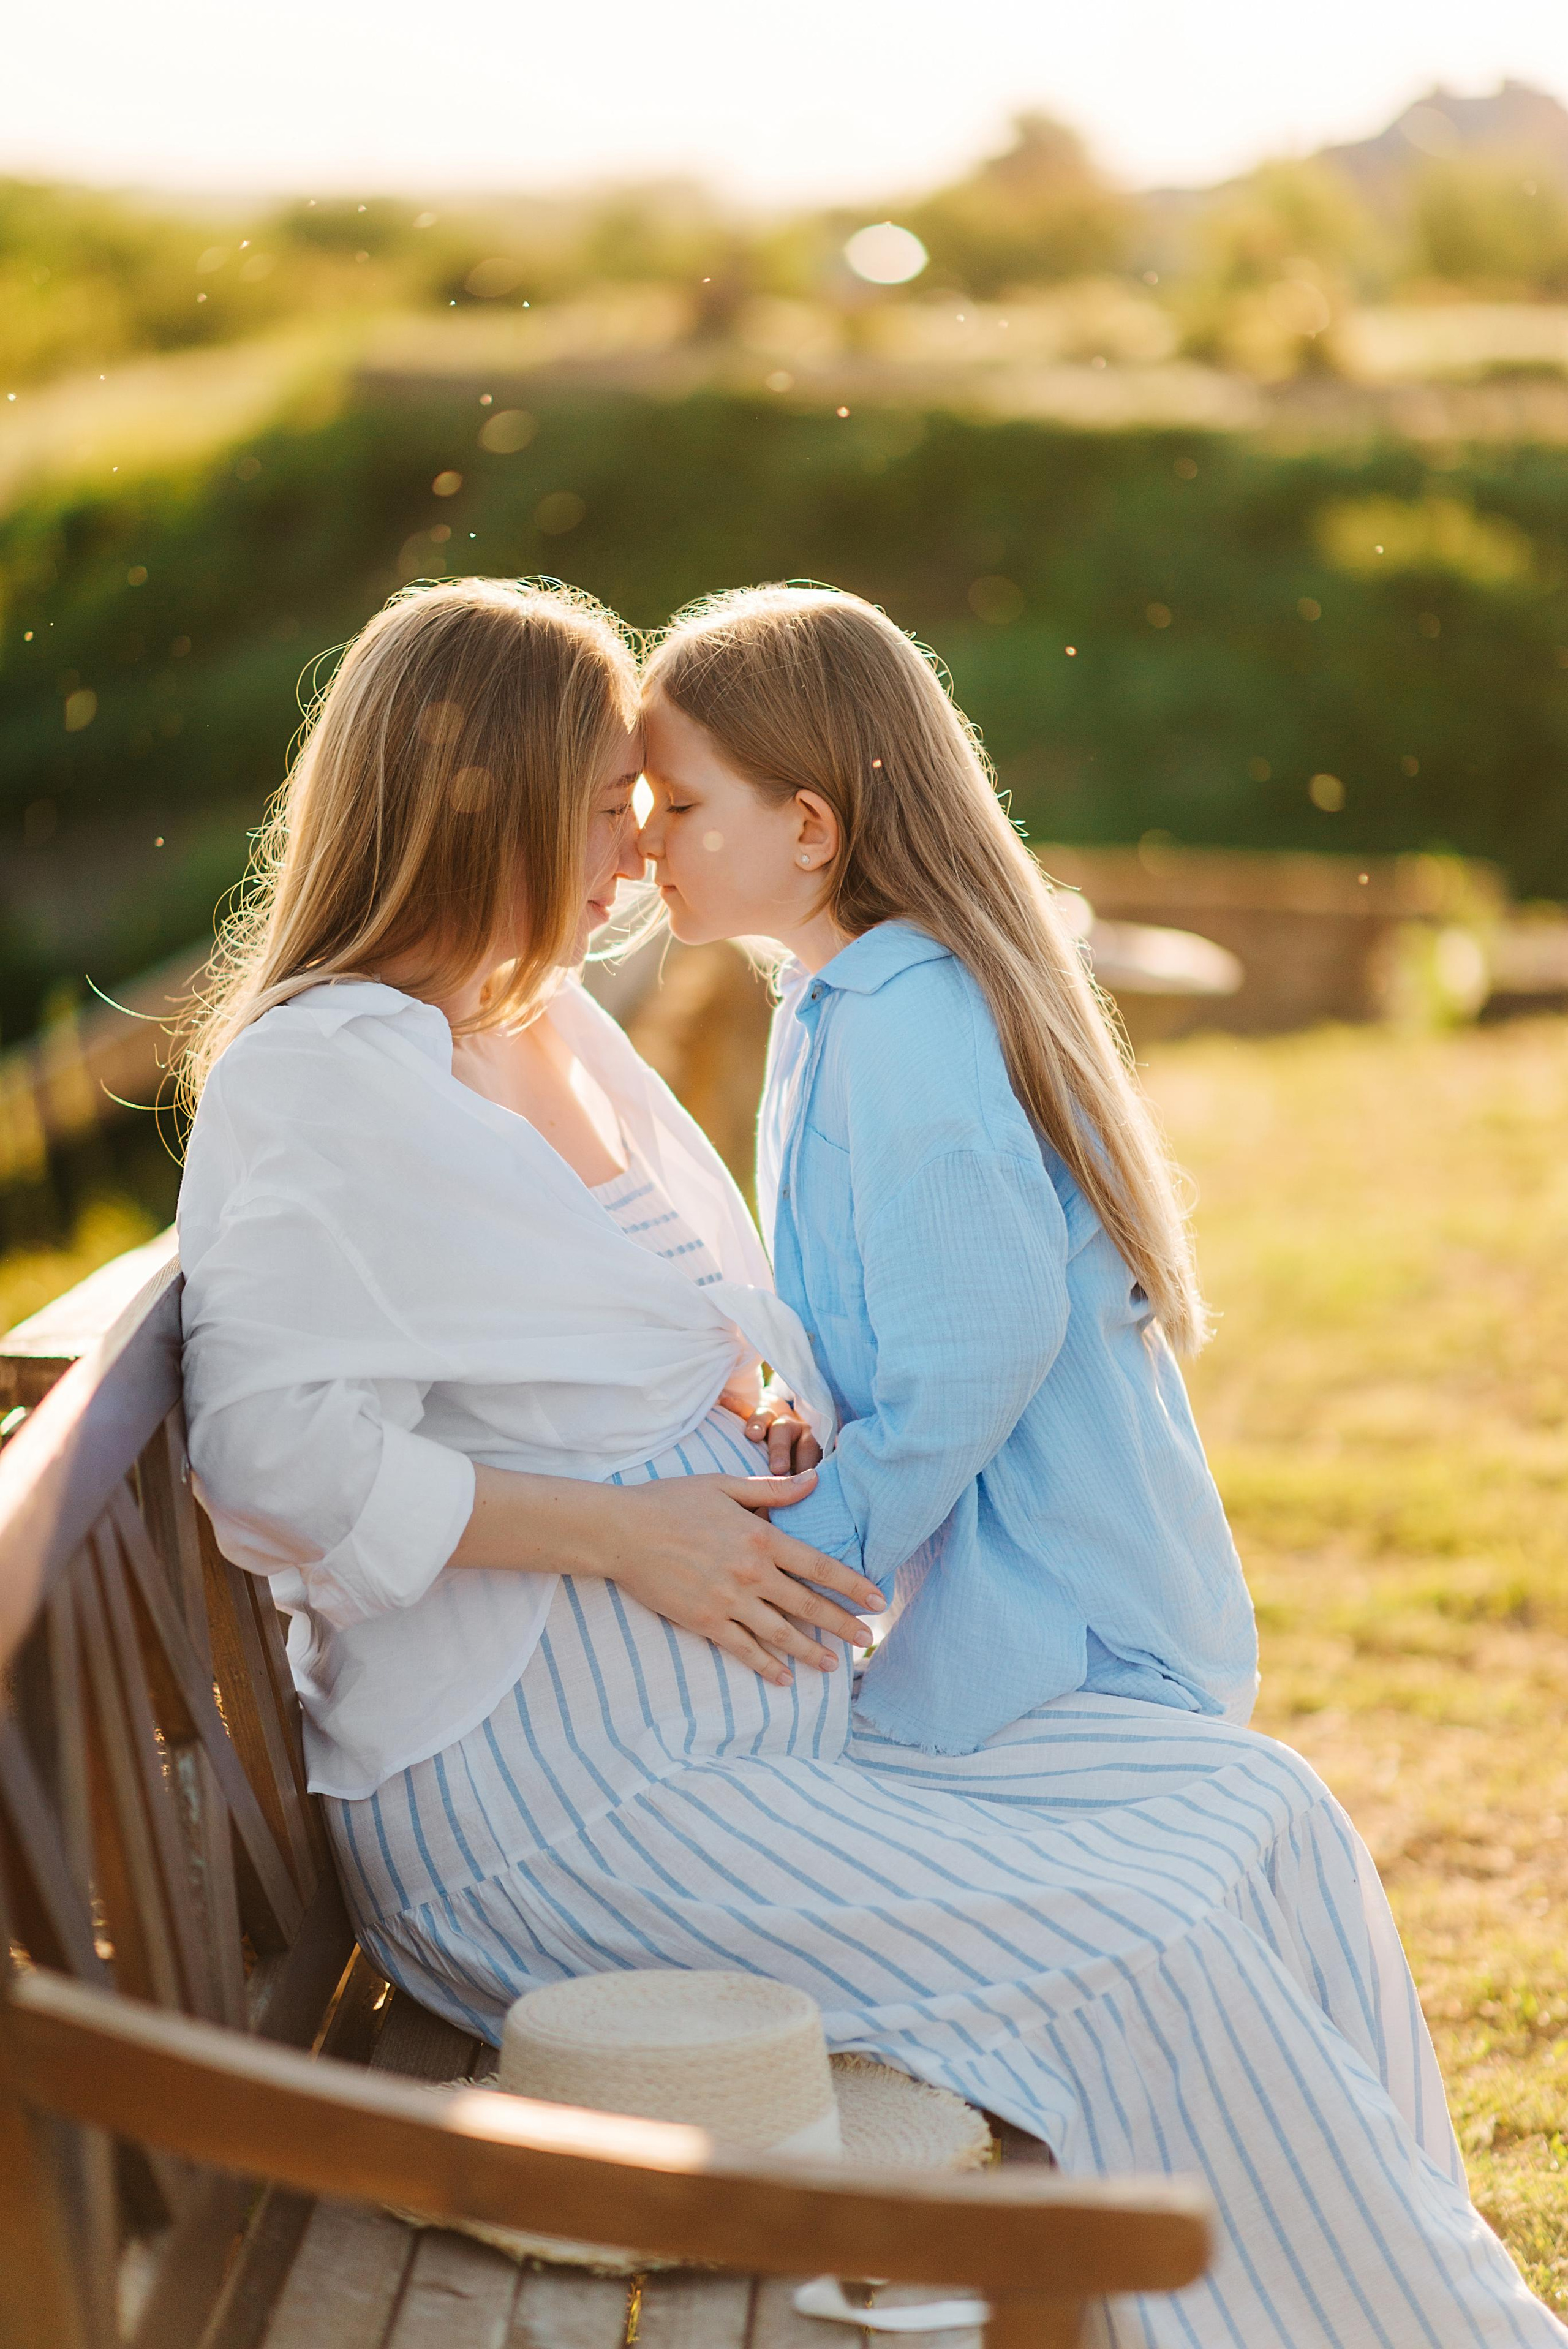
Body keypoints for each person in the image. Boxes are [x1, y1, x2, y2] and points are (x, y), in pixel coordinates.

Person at [179, 575, 1564, 2345]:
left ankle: (1428, 2310)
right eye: (612, 803)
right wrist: (626, 1537)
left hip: (751, 1730)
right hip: (566, 1812)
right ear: (485, 803)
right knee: (1149, 1947)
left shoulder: (550, 1022)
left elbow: (659, 1325)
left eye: (650, 803)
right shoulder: (327, 1071)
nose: (636, 848)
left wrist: (751, 1408)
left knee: (1263, 1819)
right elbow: (269, 1452)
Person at [639, 583, 1255, 1756]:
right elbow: (913, 1298)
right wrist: (807, 1398)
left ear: (810, 826)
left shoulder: (909, 1021)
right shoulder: (834, 1000)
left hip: (1068, 1648)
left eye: (678, 802)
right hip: (1000, 1630)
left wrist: (804, 1556)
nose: (646, 838)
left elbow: (984, 1337)